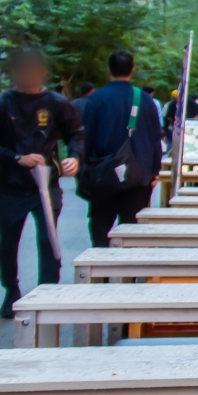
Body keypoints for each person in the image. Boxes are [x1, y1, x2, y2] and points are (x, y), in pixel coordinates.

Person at [0, 48, 83, 317]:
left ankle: (47, 293)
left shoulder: (56, 103)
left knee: (49, 239)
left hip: (46, 186)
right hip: (11, 186)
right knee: (8, 242)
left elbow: (76, 133)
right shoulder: (1, 105)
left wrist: (75, 158)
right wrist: (15, 157)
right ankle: (11, 291)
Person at [79, 50, 164, 248]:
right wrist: (154, 171)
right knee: (132, 231)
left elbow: (86, 138)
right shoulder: (144, 99)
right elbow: (155, 138)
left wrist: (85, 171)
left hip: (103, 175)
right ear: (132, 71)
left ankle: (101, 274)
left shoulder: (96, 99)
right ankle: (128, 276)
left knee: (101, 230)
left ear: (108, 70)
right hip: (138, 175)